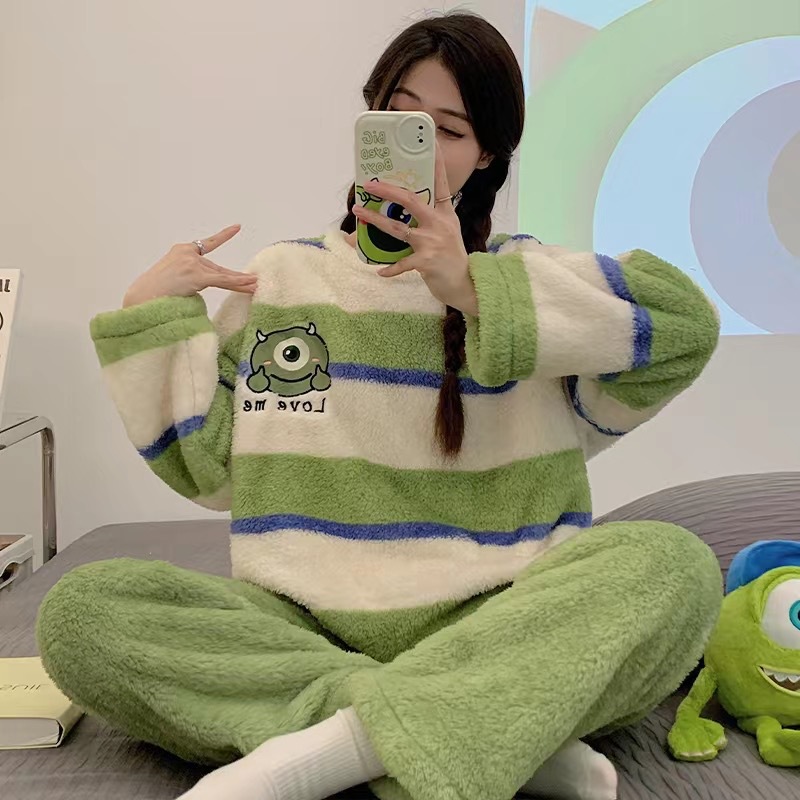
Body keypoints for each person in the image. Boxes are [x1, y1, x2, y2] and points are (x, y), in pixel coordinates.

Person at [36, 11, 723, 800]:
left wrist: (471, 289)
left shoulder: (528, 286)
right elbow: (209, 472)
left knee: (673, 568)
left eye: (446, 131)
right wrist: (151, 316)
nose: (415, 148)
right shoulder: (283, 278)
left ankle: (323, 753)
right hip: (307, 629)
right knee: (84, 613)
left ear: (488, 154)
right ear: (367, 122)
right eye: (397, 118)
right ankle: (487, 730)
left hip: (503, 622)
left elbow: (683, 326)